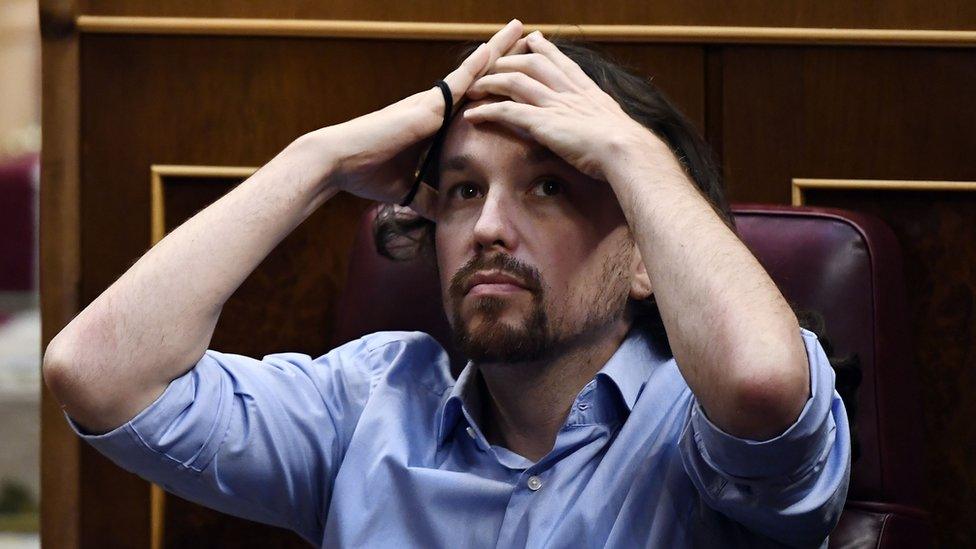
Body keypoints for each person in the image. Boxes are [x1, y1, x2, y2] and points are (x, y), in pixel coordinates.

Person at [43, 19, 850, 548]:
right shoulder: (369, 404)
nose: (490, 228)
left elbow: (760, 385)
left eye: (549, 187)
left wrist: (632, 152)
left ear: (646, 256)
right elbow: (97, 372)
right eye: (463, 190)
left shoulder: (698, 423)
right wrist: (315, 161)